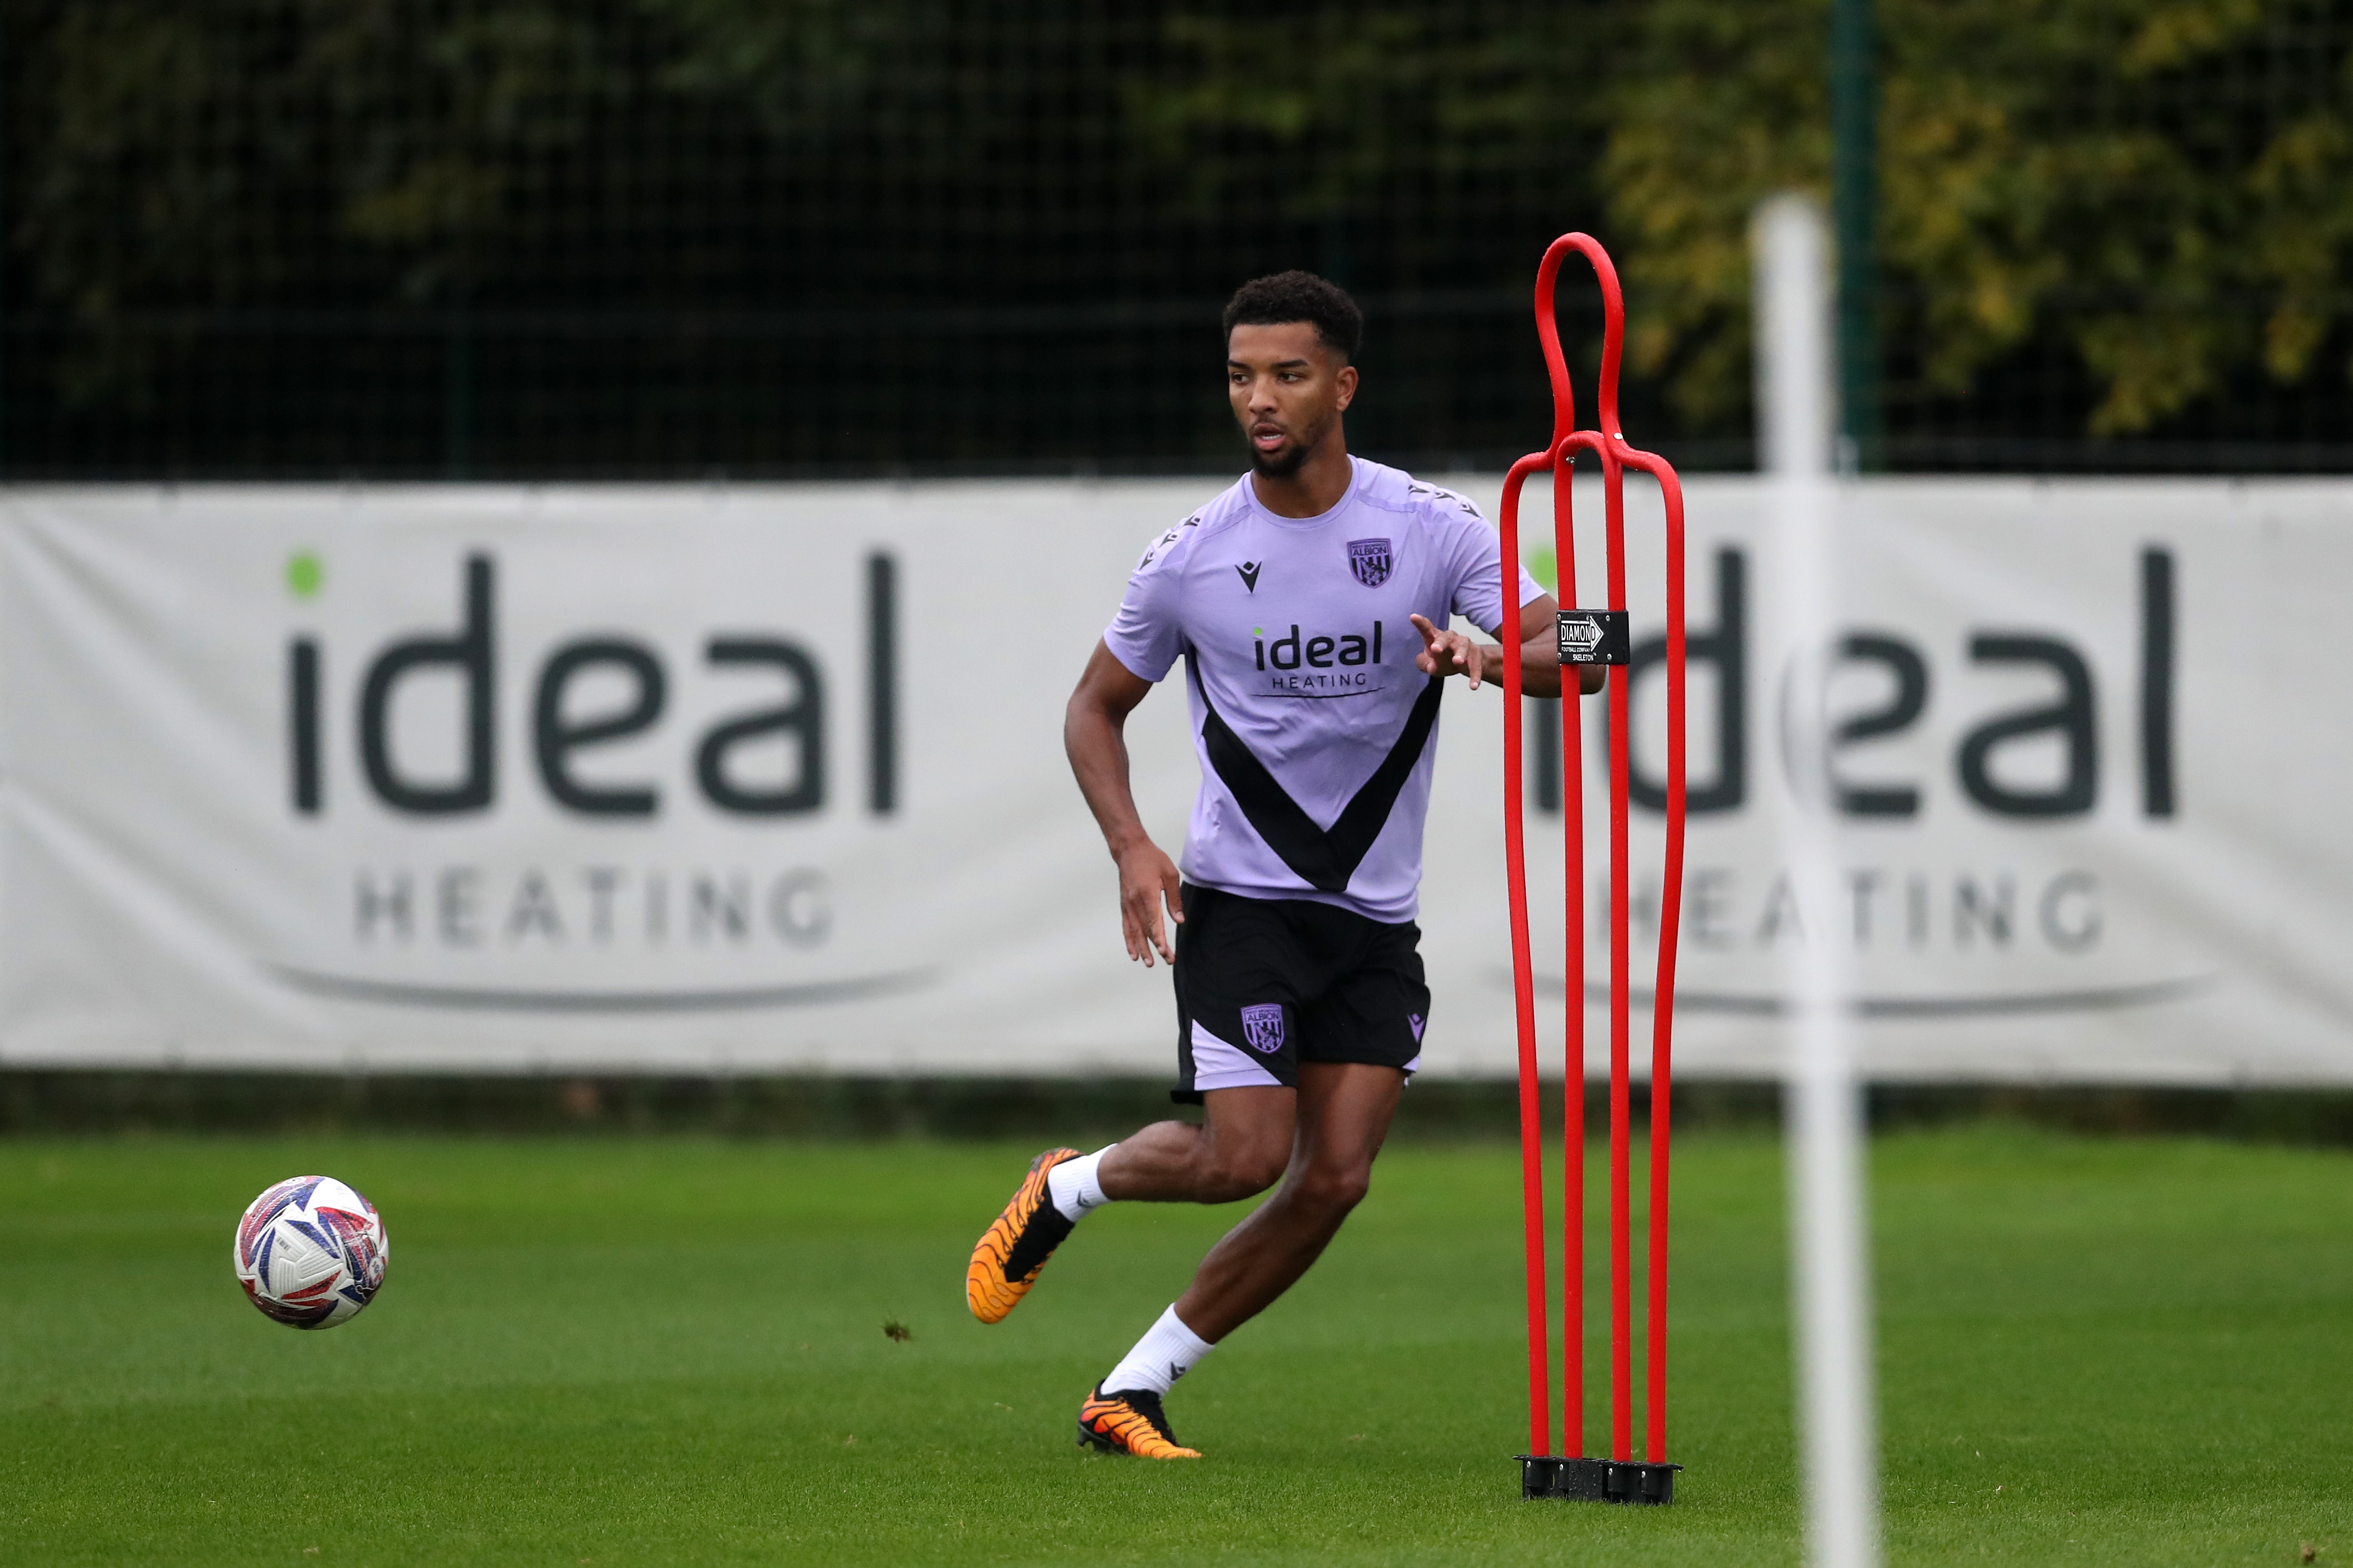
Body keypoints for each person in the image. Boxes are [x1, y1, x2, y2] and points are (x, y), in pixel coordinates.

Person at [964, 269, 1600, 1459]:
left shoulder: (1433, 529)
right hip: (1243, 903)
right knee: (1241, 1156)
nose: (1260, 398)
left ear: (1342, 386)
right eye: (1241, 377)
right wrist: (1130, 843)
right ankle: (1069, 1184)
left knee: (1333, 1180)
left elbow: (1598, 643)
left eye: (1288, 374)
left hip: (1372, 921)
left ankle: (1131, 1388)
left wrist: (1489, 655)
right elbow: (1092, 709)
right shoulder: (1192, 557)